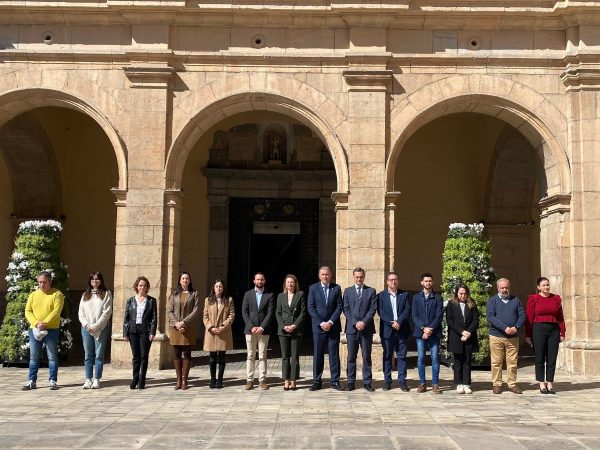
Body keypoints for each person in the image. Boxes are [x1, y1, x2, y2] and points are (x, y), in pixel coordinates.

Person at [22, 271, 65, 391]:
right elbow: (27, 311)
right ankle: (31, 381)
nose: (41, 285)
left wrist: (44, 323)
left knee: (52, 356)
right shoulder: (33, 295)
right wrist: (37, 323)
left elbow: (56, 312)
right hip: (34, 329)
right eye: (39, 282)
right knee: (34, 356)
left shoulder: (57, 294)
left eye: (44, 282)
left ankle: (53, 380)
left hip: (51, 330)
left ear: (50, 281)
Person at [525, 277, 566, 394]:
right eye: (543, 285)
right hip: (538, 329)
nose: (546, 287)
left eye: (547, 285)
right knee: (540, 357)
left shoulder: (556, 298)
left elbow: (560, 317)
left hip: (554, 330)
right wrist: (528, 335)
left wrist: (562, 332)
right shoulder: (533, 299)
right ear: (538, 287)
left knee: (552, 357)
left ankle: (550, 382)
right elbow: (529, 317)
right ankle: (541, 383)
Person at [486, 277, 526, 394]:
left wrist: (516, 327)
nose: (504, 290)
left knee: (512, 362)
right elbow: (490, 317)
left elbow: (522, 315)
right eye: (502, 287)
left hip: (513, 337)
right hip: (496, 336)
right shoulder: (492, 301)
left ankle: (512, 384)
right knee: (496, 362)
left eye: (506, 287)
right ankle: (497, 384)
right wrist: (505, 327)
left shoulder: (516, 300)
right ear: (498, 288)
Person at [307, 266, 343, 391]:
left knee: (334, 355)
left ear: (330, 275)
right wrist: (322, 323)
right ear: (319, 276)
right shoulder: (313, 288)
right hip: (318, 327)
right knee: (318, 355)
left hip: (333, 327)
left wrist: (330, 322)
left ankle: (335, 381)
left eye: (327, 274)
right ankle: (317, 381)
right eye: (322, 274)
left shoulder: (336, 288)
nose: (325, 276)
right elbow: (311, 308)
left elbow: (339, 307)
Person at [343, 267, 377, 392]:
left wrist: (363, 322)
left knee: (366, 356)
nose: (359, 279)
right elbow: (346, 309)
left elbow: (373, 309)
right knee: (351, 357)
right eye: (357, 277)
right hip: (352, 330)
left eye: (361, 277)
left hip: (366, 329)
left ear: (364, 277)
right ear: (354, 277)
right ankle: (351, 382)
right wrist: (354, 323)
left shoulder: (371, 291)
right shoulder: (347, 291)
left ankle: (367, 382)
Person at [78, 271, 113, 389]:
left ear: (101, 280)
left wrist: (96, 326)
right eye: (92, 279)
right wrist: (87, 325)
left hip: (101, 328)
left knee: (99, 355)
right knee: (88, 354)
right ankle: (88, 379)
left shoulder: (106, 294)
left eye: (97, 279)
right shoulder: (85, 295)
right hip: (86, 329)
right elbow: (81, 313)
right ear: (90, 281)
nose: (95, 281)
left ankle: (97, 379)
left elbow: (107, 312)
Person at [166, 272, 201, 390]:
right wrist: (177, 323)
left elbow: (195, 311)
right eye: (183, 278)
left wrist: (184, 322)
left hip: (188, 328)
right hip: (175, 328)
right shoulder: (173, 295)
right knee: (176, 353)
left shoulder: (194, 294)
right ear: (179, 281)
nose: (185, 280)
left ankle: (185, 380)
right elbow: (169, 311)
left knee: (187, 353)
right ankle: (178, 380)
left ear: (190, 281)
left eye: (187, 278)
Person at [378, 271, 411, 392]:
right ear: (387, 281)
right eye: (391, 279)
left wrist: (399, 322)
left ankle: (402, 381)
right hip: (387, 331)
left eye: (395, 279)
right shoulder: (381, 295)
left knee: (402, 356)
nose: (393, 281)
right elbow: (381, 312)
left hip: (402, 330)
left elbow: (407, 310)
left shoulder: (405, 294)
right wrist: (392, 323)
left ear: (398, 281)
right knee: (387, 356)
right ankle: (387, 381)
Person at [241, 272, 274, 390]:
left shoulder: (269, 295)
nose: (259, 281)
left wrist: (261, 327)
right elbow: (244, 312)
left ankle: (262, 380)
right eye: (257, 279)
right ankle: (249, 380)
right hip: (250, 330)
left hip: (263, 331)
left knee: (262, 356)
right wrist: (251, 327)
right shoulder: (248, 294)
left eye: (262, 279)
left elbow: (270, 313)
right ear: (254, 281)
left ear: (264, 281)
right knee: (250, 355)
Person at [123, 276, 157, 390]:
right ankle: (135, 378)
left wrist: (152, 332)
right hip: (133, 331)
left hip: (145, 331)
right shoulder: (131, 300)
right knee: (135, 357)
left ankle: (142, 380)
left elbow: (154, 318)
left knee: (144, 356)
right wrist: (125, 333)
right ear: (137, 287)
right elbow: (126, 318)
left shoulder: (152, 301)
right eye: (140, 285)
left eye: (144, 285)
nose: (142, 287)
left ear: (147, 287)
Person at [412, 272, 443, 394]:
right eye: (426, 281)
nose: (428, 283)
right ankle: (422, 383)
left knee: (435, 358)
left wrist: (430, 329)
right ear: (422, 282)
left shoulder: (438, 297)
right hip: (420, 333)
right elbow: (414, 315)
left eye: (430, 281)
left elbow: (439, 315)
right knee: (421, 358)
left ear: (432, 282)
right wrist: (423, 328)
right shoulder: (416, 297)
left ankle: (435, 384)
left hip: (434, 333)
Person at [446, 284, 479, 394]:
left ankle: (466, 384)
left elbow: (475, 320)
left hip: (469, 336)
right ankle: (459, 383)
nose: (463, 296)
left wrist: (469, 332)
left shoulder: (472, 303)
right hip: (456, 336)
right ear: (457, 293)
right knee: (458, 361)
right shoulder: (451, 304)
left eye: (465, 293)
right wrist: (462, 332)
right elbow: (450, 321)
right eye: (460, 293)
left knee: (467, 360)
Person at [275, 274, 307, 390]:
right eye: (288, 282)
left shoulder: (300, 295)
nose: (290, 284)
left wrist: (294, 325)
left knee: (294, 356)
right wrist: (284, 326)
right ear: (285, 284)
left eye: (292, 282)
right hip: (283, 331)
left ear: (295, 283)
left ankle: (293, 380)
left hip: (296, 330)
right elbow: (277, 313)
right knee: (285, 356)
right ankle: (286, 380)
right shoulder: (280, 296)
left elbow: (303, 313)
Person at [203, 279, 235, 389]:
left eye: (220, 286)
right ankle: (212, 379)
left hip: (223, 332)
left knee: (222, 357)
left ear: (223, 288)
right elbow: (205, 316)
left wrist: (223, 326)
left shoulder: (228, 300)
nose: (219, 288)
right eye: (216, 286)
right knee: (212, 358)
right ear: (213, 288)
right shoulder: (208, 300)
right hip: (211, 333)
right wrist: (211, 327)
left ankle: (220, 380)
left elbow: (232, 315)